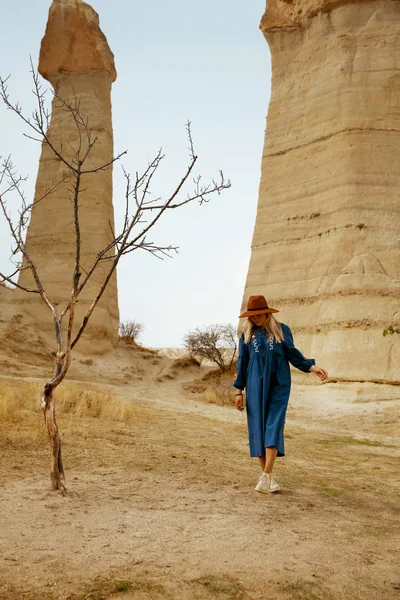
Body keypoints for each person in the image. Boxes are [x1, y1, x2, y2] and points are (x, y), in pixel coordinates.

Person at [233, 295, 328, 494]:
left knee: (274, 425)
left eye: (257, 315)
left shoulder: (281, 330)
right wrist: (239, 391)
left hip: (279, 384)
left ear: (266, 312)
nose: (254, 319)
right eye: (251, 316)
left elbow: (292, 353)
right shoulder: (247, 335)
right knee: (258, 428)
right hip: (254, 384)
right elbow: (242, 364)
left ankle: (266, 476)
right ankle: (268, 480)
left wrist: (311, 367)